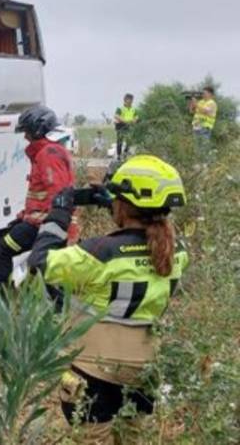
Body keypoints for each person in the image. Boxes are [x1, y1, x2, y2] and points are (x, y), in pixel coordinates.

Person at [26, 155, 188, 441]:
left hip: (94, 368)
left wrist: (58, 216)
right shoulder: (177, 253)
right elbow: (144, 234)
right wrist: (115, 205)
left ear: (124, 204)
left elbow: (39, 262)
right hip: (145, 370)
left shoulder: (98, 252)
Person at [0, 106, 77, 288]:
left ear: (38, 130)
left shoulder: (47, 154)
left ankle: (3, 302)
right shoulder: (50, 151)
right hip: (41, 222)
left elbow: (59, 194)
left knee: (1, 252)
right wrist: (23, 216)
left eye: (27, 132)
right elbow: (42, 196)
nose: (25, 137)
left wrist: (65, 228)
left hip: (43, 225)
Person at [113, 93, 138, 159]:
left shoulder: (134, 109)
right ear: (125, 100)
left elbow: (136, 116)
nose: (130, 101)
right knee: (119, 141)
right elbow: (116, 115)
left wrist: (134, 120)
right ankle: (119, 155)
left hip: (129, 126)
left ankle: (125, 152)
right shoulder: (120, 108)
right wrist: (124, 121)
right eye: (128, 99)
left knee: (129, 140)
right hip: (121, 125)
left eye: (131, 100)